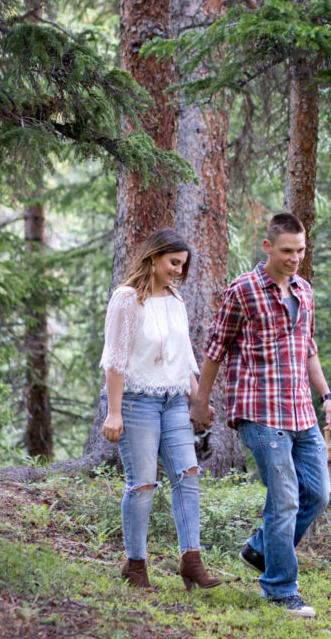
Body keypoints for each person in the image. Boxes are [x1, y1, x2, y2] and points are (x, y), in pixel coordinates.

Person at [192, 212, 331, 618]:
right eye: (288, 251)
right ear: (268, 247)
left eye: (301, 250)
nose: (295, 258)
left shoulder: (305, 290)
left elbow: (308, 349)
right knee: (285, 499)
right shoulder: (242, 290)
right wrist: (200, 403)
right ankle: (279, 589)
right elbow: (215, 348)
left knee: (318, 493)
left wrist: (326, 395)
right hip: (259, 411)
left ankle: (260, 548)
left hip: (300, 410)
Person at [99, 228, 223, 591]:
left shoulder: (176, 300)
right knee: (143, 485)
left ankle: (192, 561)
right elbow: (115, 360)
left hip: (172, 401)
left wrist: (199, 399)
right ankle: (135, 565)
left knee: (187, 475)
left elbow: (185, 359)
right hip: (135, 400)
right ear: (153, 257)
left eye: (182, 266)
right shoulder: (126, 299)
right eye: (173, 263)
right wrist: (114, 412)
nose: (177, 271)